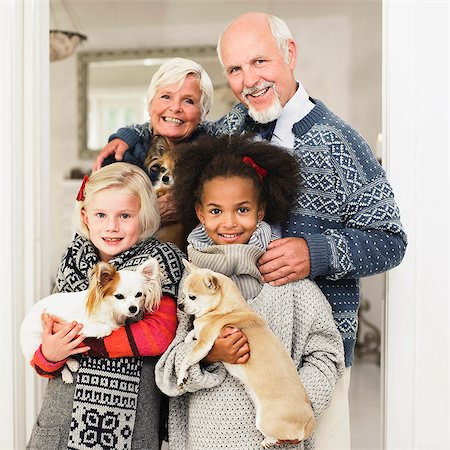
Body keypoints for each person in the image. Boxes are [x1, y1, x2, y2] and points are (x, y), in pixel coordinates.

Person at [94, 12, 407, 448]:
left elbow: (390, 240)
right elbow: (171, 121)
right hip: (224, 344)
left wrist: (316, 252)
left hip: (312, 348)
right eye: (236, 70)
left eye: (259, 62)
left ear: (289, 54)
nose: (249, 80)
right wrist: (125, 133)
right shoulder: (224, 130)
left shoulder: (342, 143)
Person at [155, 134, 345, 450]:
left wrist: (295, 404)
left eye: (242, 209)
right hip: (206, 440)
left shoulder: (290, 285)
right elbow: (167, 373)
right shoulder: (189, 288)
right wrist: (209, 354)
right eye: (216, 211)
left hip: (277, 441)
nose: (229, 222)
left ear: (260, 212)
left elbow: (327, 352)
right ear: (200, 213)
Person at [26, 163, 184, 450]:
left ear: (144, 216)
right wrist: (49, 355)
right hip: (62, 418)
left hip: (129, 423)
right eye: (101, 215)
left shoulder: (158, 260)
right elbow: (48, 336)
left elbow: (159, 335)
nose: (111, 226)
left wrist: (84, 341)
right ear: (86, 217)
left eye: (125, 216)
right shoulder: (73, 260)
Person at [92, 57, 214, 228]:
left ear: (203, 113)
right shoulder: (120, 157)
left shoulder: (214, 156)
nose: (175, 107)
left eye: (189, 101)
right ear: (149, 104)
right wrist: (152, 216)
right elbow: (99, 223)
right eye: (166, 96)